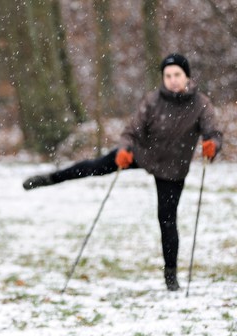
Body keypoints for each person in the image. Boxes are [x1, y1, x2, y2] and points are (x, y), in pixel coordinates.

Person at [22, 53, 222, 291]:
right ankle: (50, 178)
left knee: (167, 220)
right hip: (142, 153)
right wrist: (125, 149)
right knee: (95, 166)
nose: (172, 80)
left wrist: (212, 145)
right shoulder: (153, 100)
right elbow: (132, 130)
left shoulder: (200, 104)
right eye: (167, 76)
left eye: (177, 75)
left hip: (172, 167)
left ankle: (171, 278)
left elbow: (214, 132)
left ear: (187, 76)